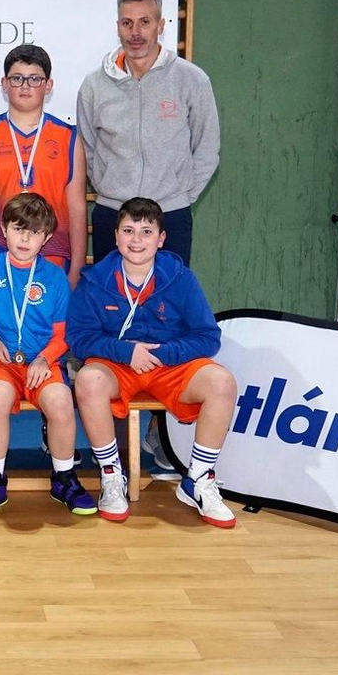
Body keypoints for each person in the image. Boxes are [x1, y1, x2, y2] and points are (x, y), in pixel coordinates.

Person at [67, 196, 238, 527]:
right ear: (115, 235)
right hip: (119, 366)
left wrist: (162, 354)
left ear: (161, 238)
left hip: (167, 365)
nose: (136, 240)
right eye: (128, 230)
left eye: (146, 232)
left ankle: (198, 480)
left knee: (222, 382)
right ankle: (111, 476)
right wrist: (126, 352)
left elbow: (207, 337)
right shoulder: (94, 281)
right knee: (88, 380)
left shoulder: (180, 278)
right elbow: (79, 338)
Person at [0, 193, 96, 519]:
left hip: (43, 361)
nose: (25, 238)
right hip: (0, 362)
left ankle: (64, 477)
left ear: (47, 237)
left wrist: (45, 358)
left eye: (35, 232)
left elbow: (63, 333)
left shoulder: (55, 277)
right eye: (18, 229)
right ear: (3, 229)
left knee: (61, 402)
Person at [76, 0, 220, 267]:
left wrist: (177, 197)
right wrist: (109, 187)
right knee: (113, 306)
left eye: (145, 22)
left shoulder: (191, 80)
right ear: (117, 26)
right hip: (112, 214)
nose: (136, 32)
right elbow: (88, 149)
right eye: (127, 23)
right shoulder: (94, 86)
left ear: (161, 24)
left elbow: (207, 148)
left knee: (167, 308)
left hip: (171, 215)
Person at [0, 45, 87, 288]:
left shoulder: (69, 138)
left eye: (35, 79)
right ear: (5, 84)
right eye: (17, 78)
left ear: (48, 86)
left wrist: (76, 271)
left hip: (52, 256)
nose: (26, 86)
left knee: (49, 326)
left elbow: (77, 208)